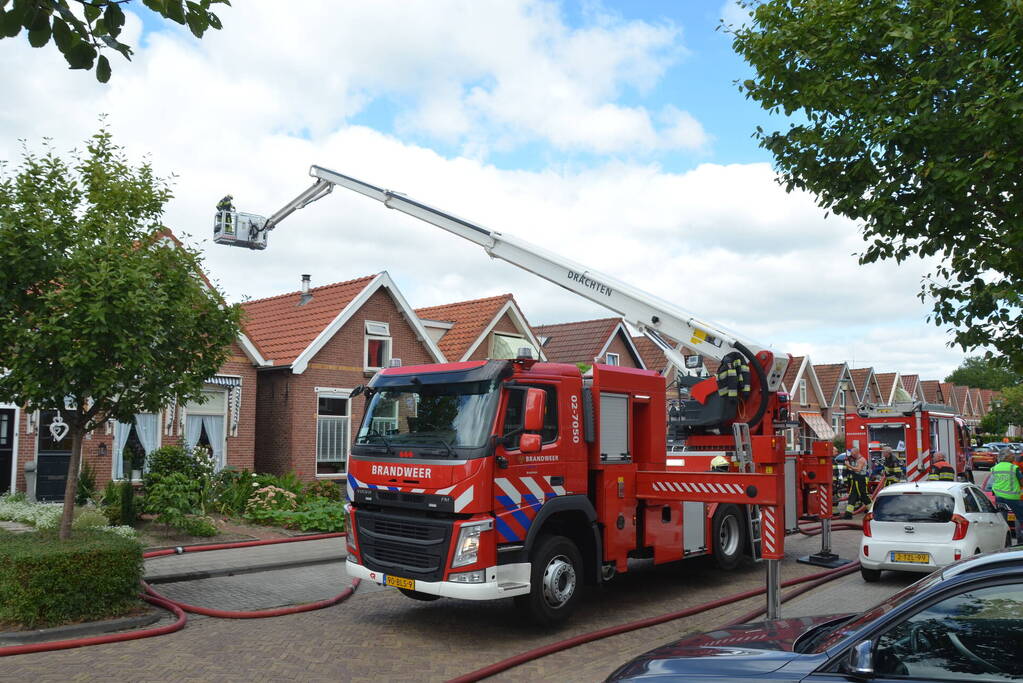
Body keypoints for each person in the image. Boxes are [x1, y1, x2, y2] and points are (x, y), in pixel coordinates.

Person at [844, 445, 869, 519]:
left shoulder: (861, 460)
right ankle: (848, 514)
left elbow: (858, 469)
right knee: (852, 496)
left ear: (856, 453)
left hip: (861, 480)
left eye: (852, 453)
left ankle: (873, 511)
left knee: (864, 496)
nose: (851, 455)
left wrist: (849, 465)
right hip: (855, 480)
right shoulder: (855, 460)